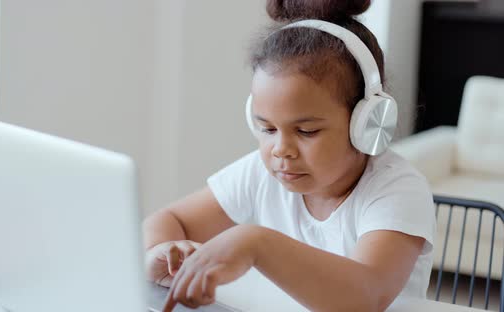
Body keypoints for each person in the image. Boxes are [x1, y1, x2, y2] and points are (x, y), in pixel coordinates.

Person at [143, 1, 436, 311]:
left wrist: (256, 243)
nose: (281, 149)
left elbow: (366, 297)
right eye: (267, 129)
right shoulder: (260, 172)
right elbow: (169, 219)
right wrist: (161, 251)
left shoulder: (397, 190)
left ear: (366, 123)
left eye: (306, 131)